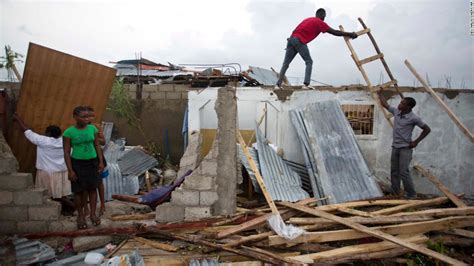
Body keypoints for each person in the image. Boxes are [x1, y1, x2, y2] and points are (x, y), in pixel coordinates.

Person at [276, 8, 358, 89]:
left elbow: (296, 29)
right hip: (299, 41)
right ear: (322, 15)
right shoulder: (320, 22)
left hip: (291, 40)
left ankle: (278, 85)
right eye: (324, 16)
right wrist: (350, 34)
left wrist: (291, 41)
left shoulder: (308, 19)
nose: (324, 18)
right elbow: (335, 32)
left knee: (286, 64)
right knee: (309, 61)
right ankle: (306, 85)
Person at [12, 113, 74, 212]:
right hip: (62, 172)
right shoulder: (65, 141)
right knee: (60, 194)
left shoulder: (43, 141)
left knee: (49, 195)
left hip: (47, 172)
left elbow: (27, 131)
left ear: (48, 134)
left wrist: (18, 119)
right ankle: (66, 208)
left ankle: (72, 207)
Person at [377, 91, 431, 199]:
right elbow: (385, 104)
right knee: (394, 170)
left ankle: (411, 194)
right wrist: (379, 93)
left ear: (408, 107)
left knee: (404, 172)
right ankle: (395, 191)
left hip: (405, 148)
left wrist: (416, 141)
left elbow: (427, 129)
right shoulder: (397, 112)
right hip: (395, 147)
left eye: (402, 103)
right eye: (400, 102)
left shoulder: (413, 118)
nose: (399, 104)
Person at [63, 106, 104, 229]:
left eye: (89, 116)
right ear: (75, 117)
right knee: (78, 191)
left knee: (93, 189)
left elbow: (97, 145)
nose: (87, 119)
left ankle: (92, 214)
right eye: (84, 117)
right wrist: (70, 170)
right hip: (77, 163)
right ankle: (80, 215)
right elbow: (66, 152)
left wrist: (100, 162)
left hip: (92, 162)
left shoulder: (92, 129)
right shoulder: (69, 132)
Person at [84, 106, 108, 217]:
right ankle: (86, 208)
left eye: (91, 116)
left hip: (97, 157)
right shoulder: (78, 128)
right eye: (87, 116)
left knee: (99, 183)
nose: (89, 118)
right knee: (84, 184)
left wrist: (92, 137)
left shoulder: (96, 127)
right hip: (84, 158)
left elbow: (103, 142)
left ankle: (102, 205)